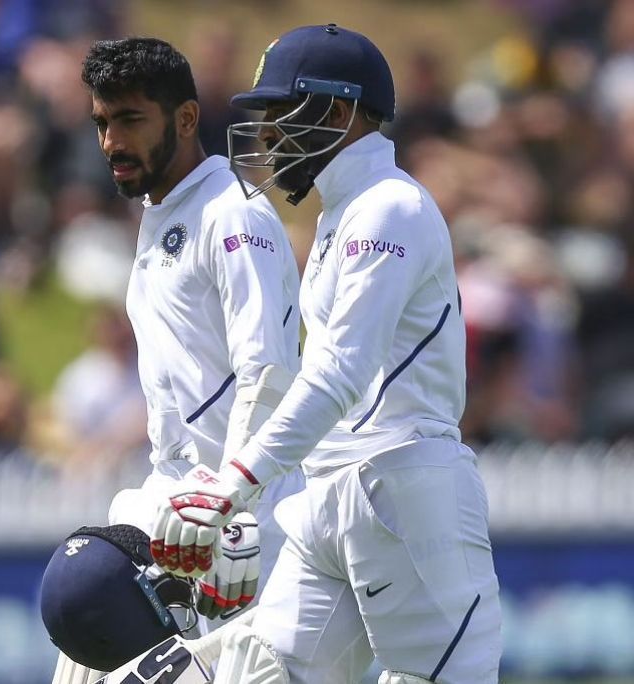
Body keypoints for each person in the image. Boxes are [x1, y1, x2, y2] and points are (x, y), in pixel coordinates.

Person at [150, 24, 503, 684]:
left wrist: (232, 487)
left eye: (283, 114)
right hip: (375, 498)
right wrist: (237, 489)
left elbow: (339, 372)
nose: (268, 137)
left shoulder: (388, 209)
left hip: (392, 493)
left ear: (338, 111)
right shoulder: (353, 214)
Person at [79, 37, 304, 621]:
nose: (111, 142)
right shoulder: (162, 213)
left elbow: (268, 371)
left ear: (185, 118)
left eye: (130, 119)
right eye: (102, 122)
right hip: (178, 496)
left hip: (242, 511)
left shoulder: (232, 213)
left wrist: (235, 506)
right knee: (81, 592)